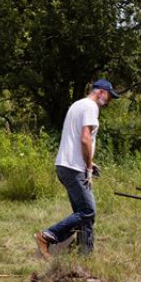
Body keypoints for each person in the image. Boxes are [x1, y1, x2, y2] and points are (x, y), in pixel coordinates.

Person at [35, 79, 119, 257]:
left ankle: (85, 256)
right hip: (74, 168)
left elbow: (74, 138)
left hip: (66, 164)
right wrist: (88, 168)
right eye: (110, 96)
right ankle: (48, 235)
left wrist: (89, 163)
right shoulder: (91, 106)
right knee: (88, 211)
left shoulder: (77, 105)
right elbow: (84, 138)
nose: (109, 102)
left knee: (83, 214)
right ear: (101, 92)